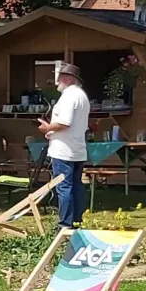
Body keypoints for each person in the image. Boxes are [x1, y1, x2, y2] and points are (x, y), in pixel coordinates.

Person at [37, 61, 90, 229]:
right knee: (76, 187)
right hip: (77, 149)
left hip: (64, 150)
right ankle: (76, 220)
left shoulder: (68, 96)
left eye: (59, 77)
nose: (57, 81)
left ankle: (65, 224)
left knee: (64, 187)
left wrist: (47, 127)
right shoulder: (82, 96)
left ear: (68, 79)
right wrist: (52, 131)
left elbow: (64, 123)